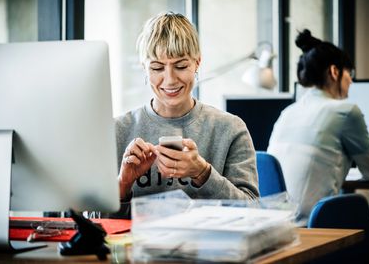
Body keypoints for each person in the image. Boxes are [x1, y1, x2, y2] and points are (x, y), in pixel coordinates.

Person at [111, 12, 259, 218]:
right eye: (157, 67)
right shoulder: (117, 131)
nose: (170, 79)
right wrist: (123, 185)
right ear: (144, 68)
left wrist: (203, 173)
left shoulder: (230, 129)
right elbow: (91, 224)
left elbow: (253, 212)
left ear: (197, 63)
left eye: (181, 66)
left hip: (210, 248)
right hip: (137, 248)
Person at [267, 29, 369, 226]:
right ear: (334, 72)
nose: (351, 81)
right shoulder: (345, 111)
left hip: (275, 231)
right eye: (349, 74)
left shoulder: (287, 113)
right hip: (312, 231)